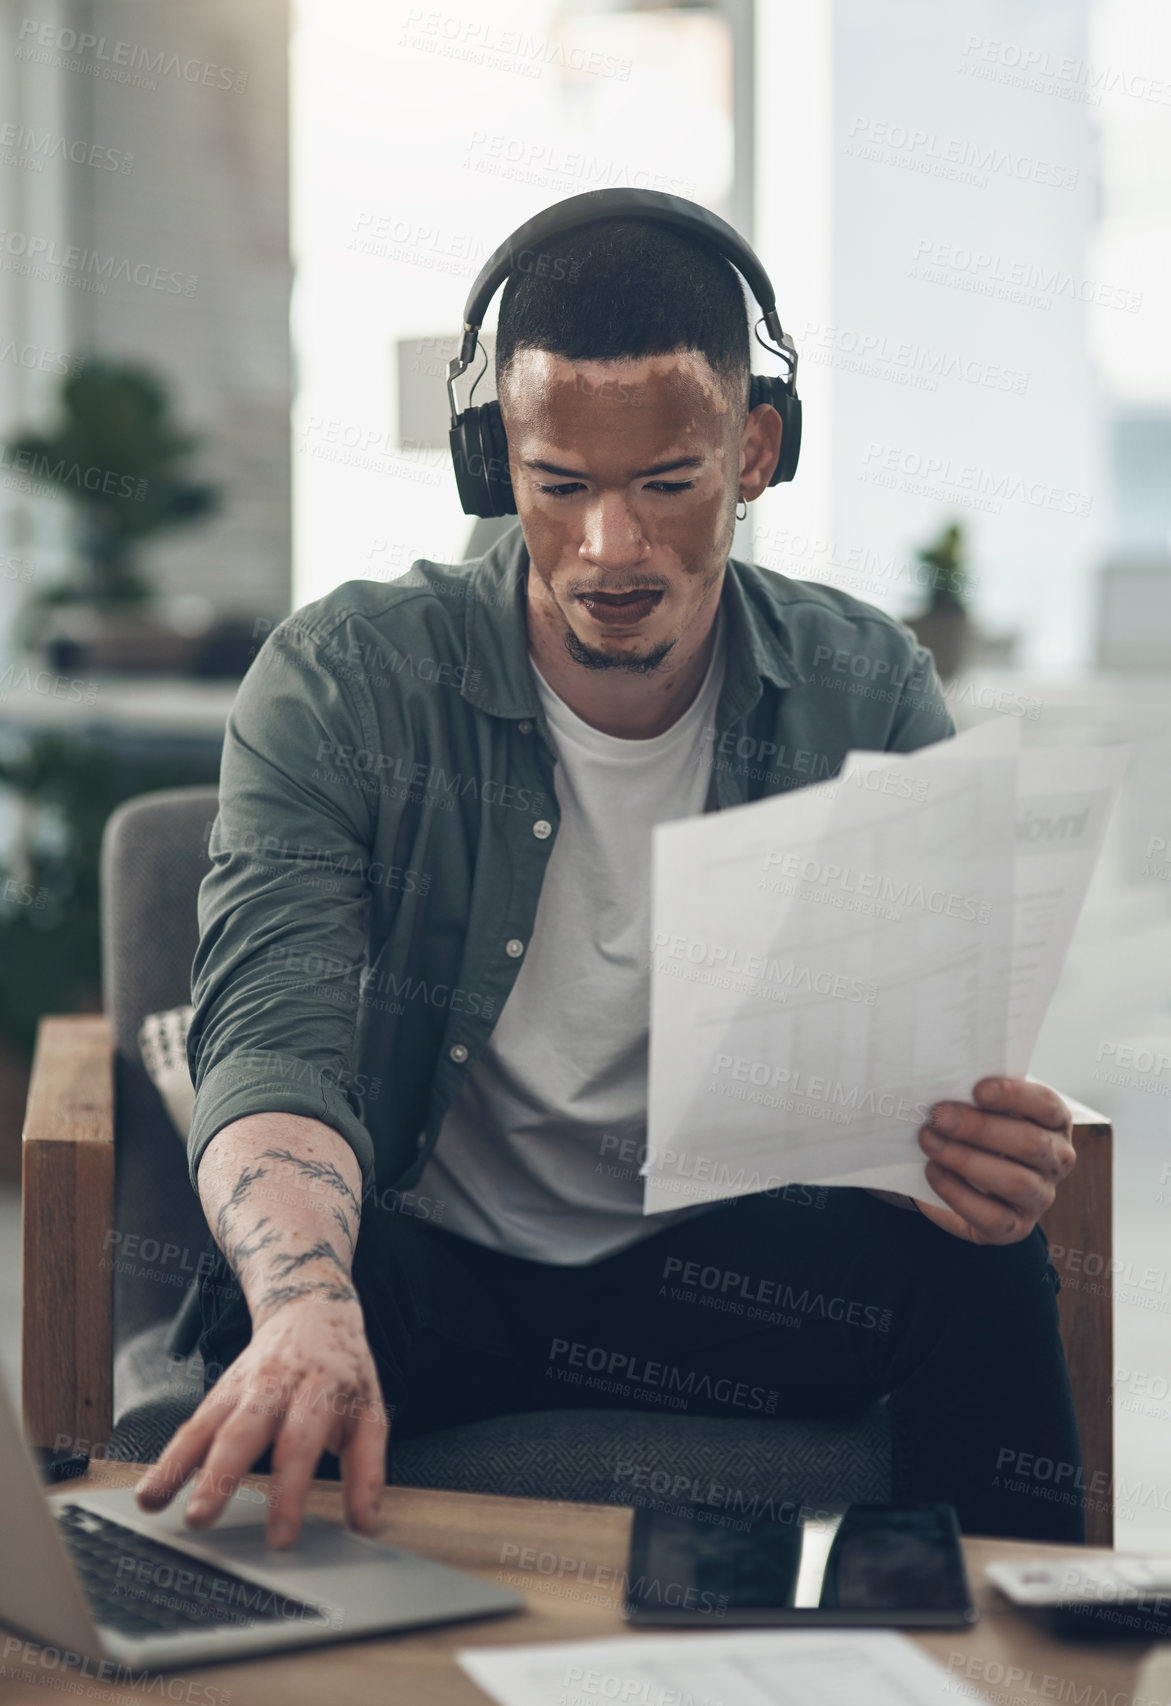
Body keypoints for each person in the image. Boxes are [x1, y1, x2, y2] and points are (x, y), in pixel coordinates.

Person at [134, 217, 1080, 1551]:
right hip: (431, 1268)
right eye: (560, 484)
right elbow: (270, 1042)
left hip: (720, 1281)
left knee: (980, 1261)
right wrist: (304, 1296)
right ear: (491, 461)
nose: (610, 550)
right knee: (271, 1310)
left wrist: (969, 1155)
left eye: (670, 484)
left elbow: (923, 1087)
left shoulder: (864, 687)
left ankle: (1021, 1657)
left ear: (756, 450)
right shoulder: (341, 681)